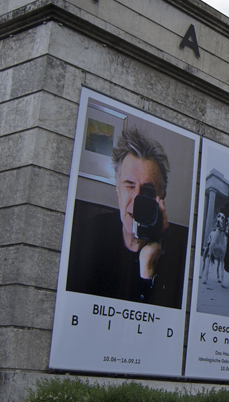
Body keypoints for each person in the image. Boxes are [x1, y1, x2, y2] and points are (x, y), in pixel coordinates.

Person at [66, 127, 186, 308]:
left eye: (147, 190)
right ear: (117, 188)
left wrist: (149, 269)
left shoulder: (180, 252)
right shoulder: (91, 233)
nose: (137, 200)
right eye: (129, 186)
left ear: (162, 196)